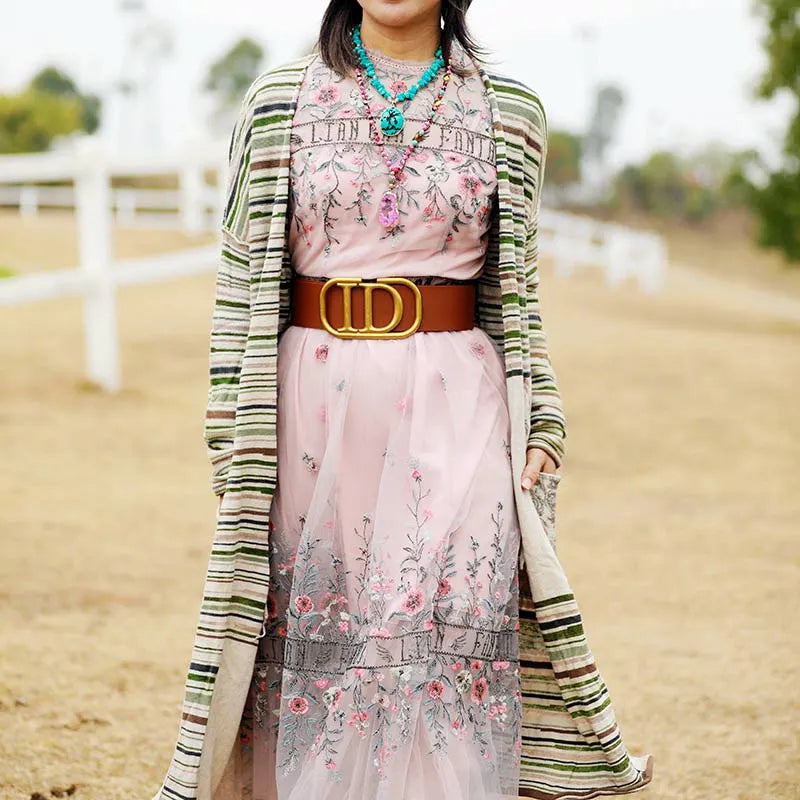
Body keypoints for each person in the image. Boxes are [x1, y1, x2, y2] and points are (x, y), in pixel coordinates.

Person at [151, 2, 654, 799]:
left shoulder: (510, 110)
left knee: (443, 638)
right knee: (330, 644)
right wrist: (228, 432)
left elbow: (516, 287)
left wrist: (547, 415)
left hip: (462, 403)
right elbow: (242, 271)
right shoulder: (280, 97)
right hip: (312, 406)